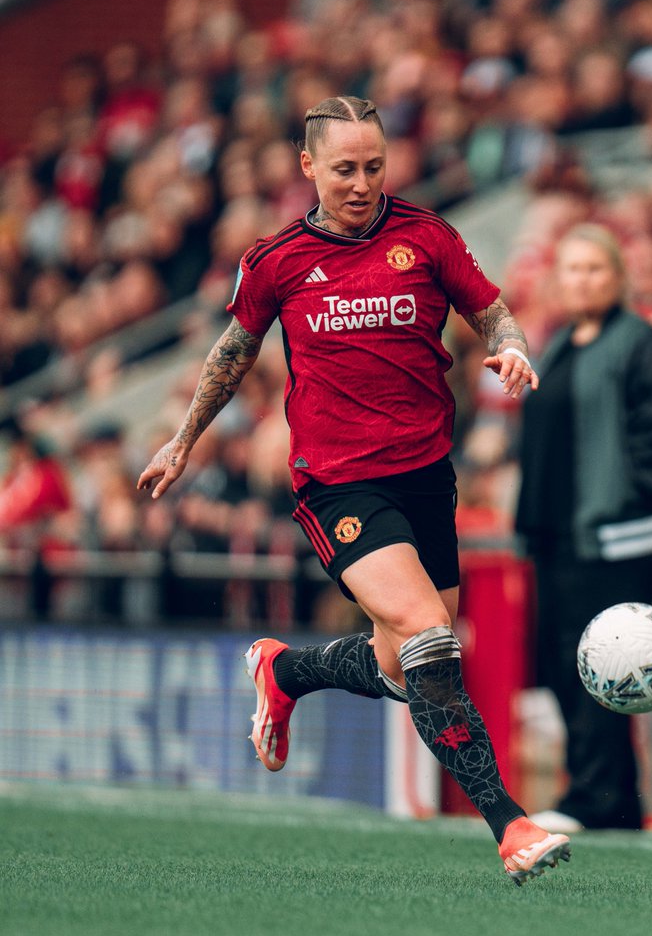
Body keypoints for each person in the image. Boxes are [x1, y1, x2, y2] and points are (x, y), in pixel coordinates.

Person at [137, 95, 570, 885]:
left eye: (374, 166)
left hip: (427, 478)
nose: (362, 183)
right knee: (430, 633)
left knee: (406, 664)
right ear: (309, 168)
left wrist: (510, 348)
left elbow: (492, 310)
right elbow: (232, 353)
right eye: (344, 169)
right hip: (339, 485)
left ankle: (286, 671)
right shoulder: (276, 260)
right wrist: (184, 440)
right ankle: (509, 822)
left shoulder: (425, 236)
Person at [515, 224, 652, 832]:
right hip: (560, 535)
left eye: (595, 268)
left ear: (618, 276)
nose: (582, 279)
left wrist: (629, 499)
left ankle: (593, 796)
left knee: (604, 665)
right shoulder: (560, 343)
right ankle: (615, 802)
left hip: (617, 540)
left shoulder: (641, 342)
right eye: (571, 269)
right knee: (568, 667)